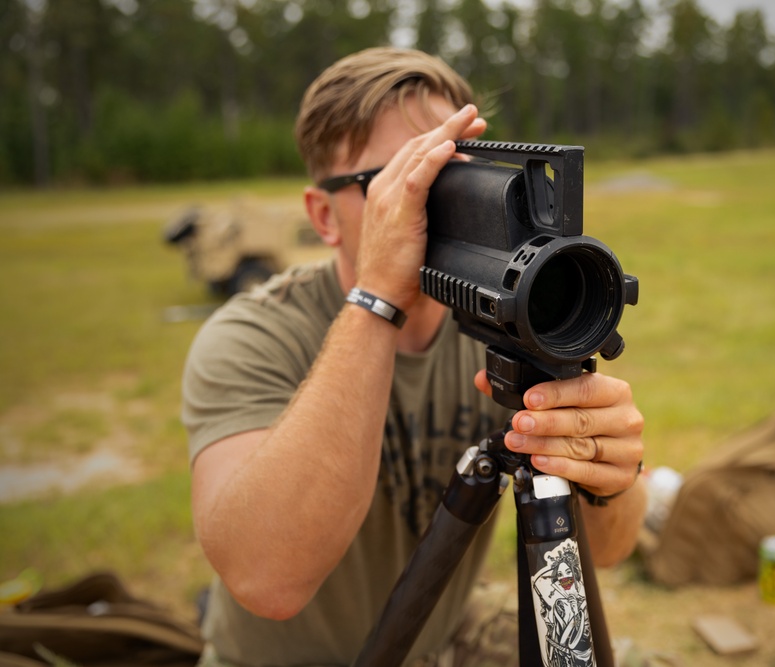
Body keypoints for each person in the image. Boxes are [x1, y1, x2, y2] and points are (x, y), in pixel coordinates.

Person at [182, 46, 647, 667]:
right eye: (398, 181)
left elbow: (611, 550)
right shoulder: (252, 336)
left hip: (437, 641)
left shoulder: (503, 315)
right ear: (323, 215)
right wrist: (378, 298)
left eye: (450, 173)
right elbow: (267, 580)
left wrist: (606, 473)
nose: (431, 203)